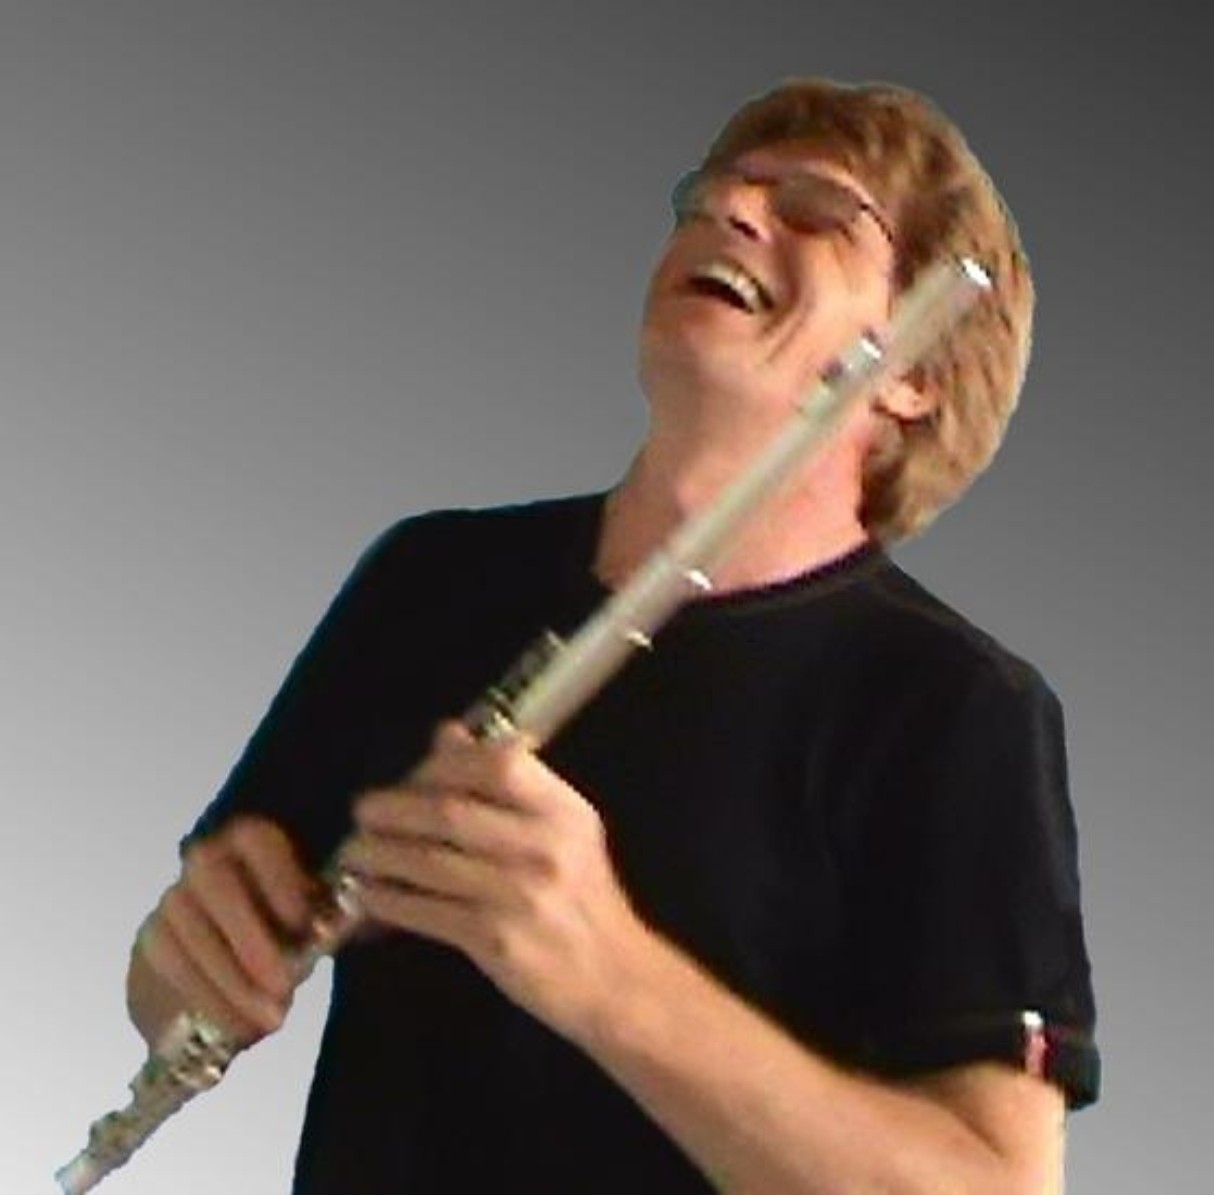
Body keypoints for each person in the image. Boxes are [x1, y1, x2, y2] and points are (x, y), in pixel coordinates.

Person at [127, 77, 1099, 1193]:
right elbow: (170, 980)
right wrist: (187, 964)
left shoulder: (954, 706)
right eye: (712, 193)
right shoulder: (431, 578)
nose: (729, 208)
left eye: (816, 212)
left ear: (914, 371)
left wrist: (605, 975)